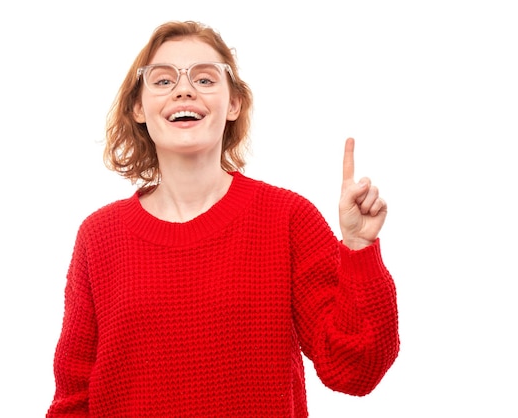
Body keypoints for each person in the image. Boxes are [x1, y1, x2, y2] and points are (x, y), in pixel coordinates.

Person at [46, 20, 399, 417]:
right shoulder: (100, 236)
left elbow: (355, 370)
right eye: (162, 81)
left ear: (233, 104)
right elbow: (73, 398)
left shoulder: (288, 218)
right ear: (138, 108)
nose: (184, 89)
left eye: (205, 79)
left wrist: (358, 248)